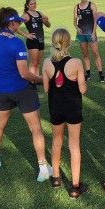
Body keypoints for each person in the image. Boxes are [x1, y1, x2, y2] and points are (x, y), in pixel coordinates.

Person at [0, 7, 52, 181]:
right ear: (11, 23)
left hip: (0, 90)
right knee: (36, 128)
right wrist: (42, 79)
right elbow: (24, 74)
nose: (18, 26)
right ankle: (43, 167)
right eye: (17, 23)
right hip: (22, 90)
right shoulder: (16, 42)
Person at [42, 28, 88, 198]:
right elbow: (82, 89)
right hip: (73, 108)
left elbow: (46, 89)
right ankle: (75, 186)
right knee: (74, 145)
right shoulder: (76, 62)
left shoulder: (46, 63)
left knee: (56, 142)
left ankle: (55, 177)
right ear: (68, 43)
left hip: (55, 107)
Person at [73, 0, 104, 82]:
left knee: (95, 53)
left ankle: (101, 74)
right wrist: (77, 28)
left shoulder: (92, 5)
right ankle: (88, 74)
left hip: (91, 33)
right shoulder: (76, 7)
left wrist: (93, 32)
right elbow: (75, 21)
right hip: (81, 34)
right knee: (85, 54)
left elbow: (95, 20)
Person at [21, 0, 51, 76]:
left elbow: (48, 25)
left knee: (38, 62)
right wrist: (26, 35)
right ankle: (31, 81)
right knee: (33, 63)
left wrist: (46, 20)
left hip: (41, 40)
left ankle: (36, 79)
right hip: (32, 41)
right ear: (27, 5)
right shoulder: (26, 15)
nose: (34, 5)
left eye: (35, 3)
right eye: (31, 4)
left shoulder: (39, 13)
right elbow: (15, 26)